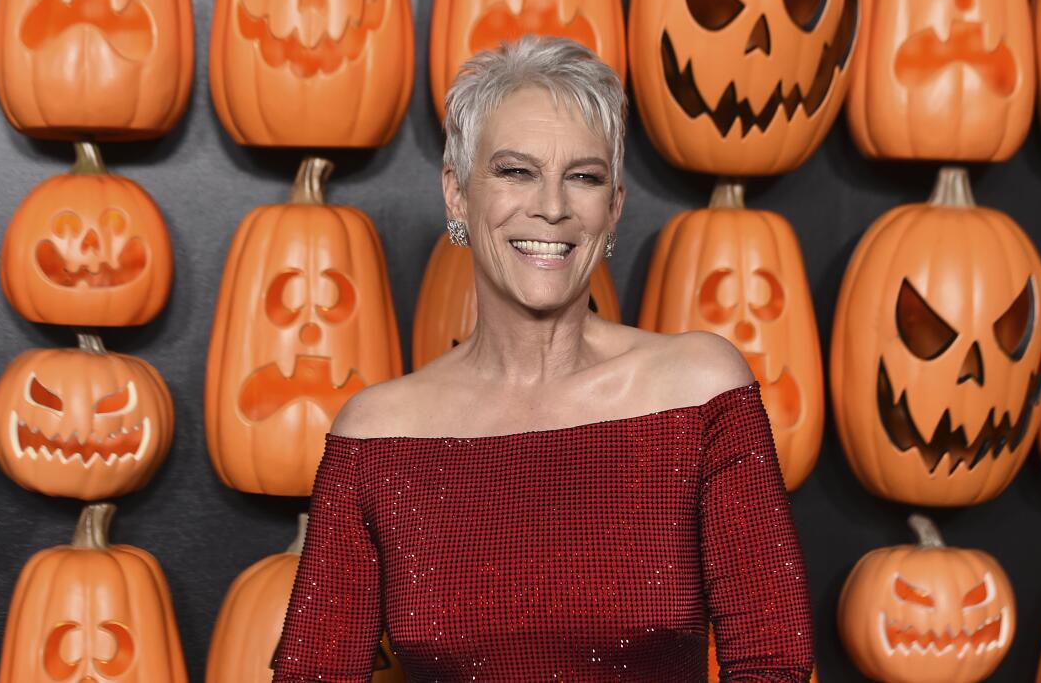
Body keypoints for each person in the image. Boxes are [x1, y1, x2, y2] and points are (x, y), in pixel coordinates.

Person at [270, 35, 814, 681]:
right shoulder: (377, 433)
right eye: (515, 170)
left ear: (612, 208)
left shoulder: (697, 391)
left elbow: (774, 662)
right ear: (456, 194)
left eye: (582, 177)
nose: (551, 206)